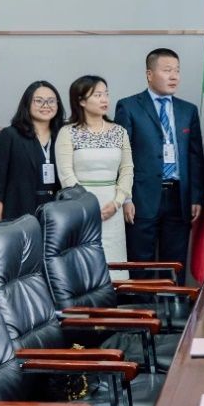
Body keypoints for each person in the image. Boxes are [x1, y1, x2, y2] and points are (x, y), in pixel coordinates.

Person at [113, 48, 204, 273]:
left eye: (177, 71)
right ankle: (142, 298)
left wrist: (195, 196)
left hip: (179, 198)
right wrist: (126, 198)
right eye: (167, 70)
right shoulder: (129, 106)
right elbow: (121, 156)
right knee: (140, 263)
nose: (174, 76)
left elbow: (195, 157)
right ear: (149, 74)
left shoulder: (188, 110)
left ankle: (173, 298)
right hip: (142, 197)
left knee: (174, 264)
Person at [56, 75, 134, 278]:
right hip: (80, 209)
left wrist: (117, 202)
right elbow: (66, 175)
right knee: (84, 269)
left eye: (106, 94)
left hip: (112, 207)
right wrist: (87, 206)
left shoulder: (119, 132)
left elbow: (127, 170)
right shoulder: (68, 132)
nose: (104, 99)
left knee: (114, 269)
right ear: (81, 101)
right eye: (97, 95)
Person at [0, 80, 65, 223]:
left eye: (51, 101)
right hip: (20, 208)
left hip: (57, 210)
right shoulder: (10, 135)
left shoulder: (63, 135)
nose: (46, 105)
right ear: (27, 103)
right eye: (39, 101)